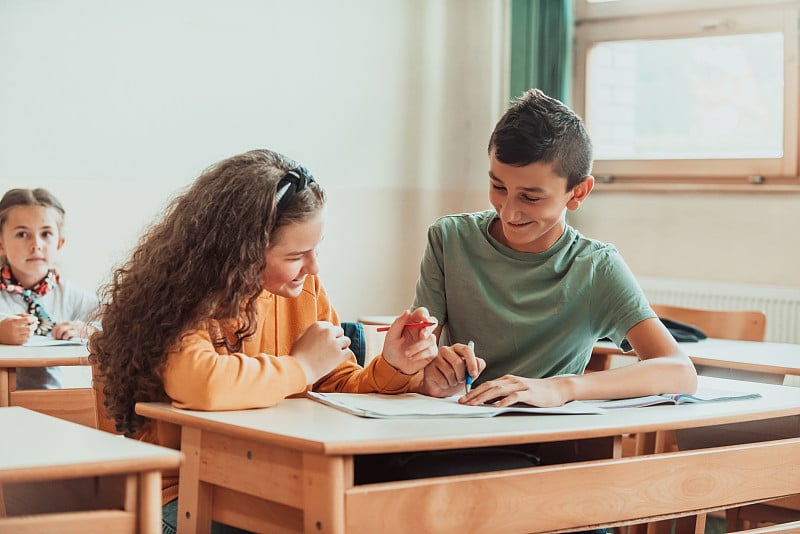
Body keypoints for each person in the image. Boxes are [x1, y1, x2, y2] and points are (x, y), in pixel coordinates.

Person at [89, 148, 438, 534]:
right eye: (297, 255)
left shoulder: (303, 289)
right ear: (243, 253)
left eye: (316, 249)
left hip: (272, 483)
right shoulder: (185, 299)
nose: (313, 266)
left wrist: (394, 366)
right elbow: (200, 383)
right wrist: (301, 366)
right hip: (182, 493)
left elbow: (336, 385)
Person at [414, 88, 697, 407]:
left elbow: (680, 371)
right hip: (452, 424)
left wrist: (563, 388)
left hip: (543, 441)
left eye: (530, 197)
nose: (508, 212)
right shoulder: (449, 239)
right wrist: (431, 369)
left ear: (578, 193)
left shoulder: (595, 267)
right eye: (498, 187)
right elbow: (413, 362)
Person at [0, 188, 100, 389]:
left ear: (60, 243)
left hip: (51, 399)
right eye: (22, 234)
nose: (36, 244)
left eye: (46, 234)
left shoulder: (67, 293)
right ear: (1, 244)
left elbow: (118, 320)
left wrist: (87, 329)